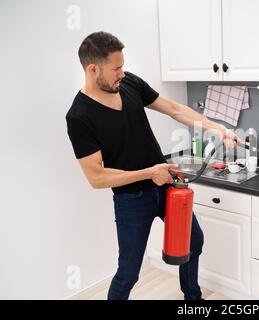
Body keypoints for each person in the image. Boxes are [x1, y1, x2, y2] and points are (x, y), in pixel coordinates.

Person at [65, 31, 239, 300]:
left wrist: (216, 128)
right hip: (132, 199)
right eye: (116, 68)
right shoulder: (79, 116)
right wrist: (149, 172)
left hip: (167, 187)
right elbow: (96, 177)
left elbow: (174, 108)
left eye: (123, 66)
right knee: (129, 273)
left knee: (193, 242)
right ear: (93, 68)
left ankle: (193, 300)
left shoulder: (129, 83)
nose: (122, 73)